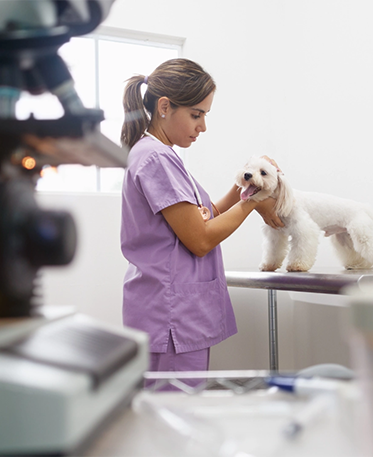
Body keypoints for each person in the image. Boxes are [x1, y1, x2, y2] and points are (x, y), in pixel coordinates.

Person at [119, 58, 283, 384]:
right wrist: (253, 203)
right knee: (175, 410)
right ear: (164, 107)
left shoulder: (161, 154)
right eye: (196, 115)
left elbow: (208, 216)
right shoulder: (155, 158)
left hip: (174, 314)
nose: (202, 126)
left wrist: (248, 185)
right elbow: (201, 239)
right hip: (170, 317)